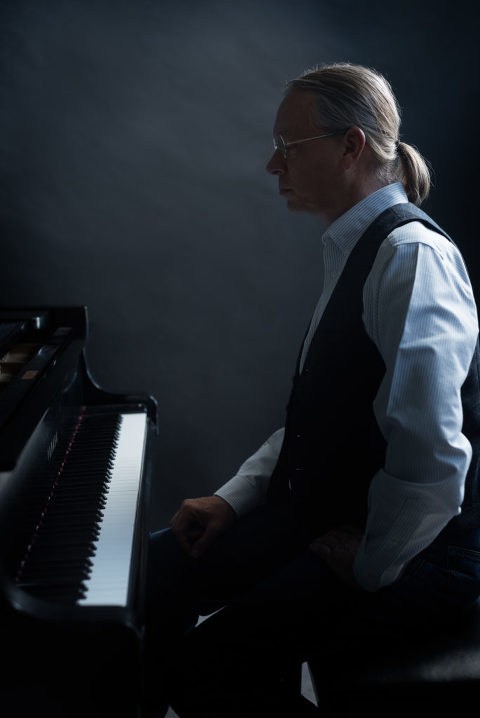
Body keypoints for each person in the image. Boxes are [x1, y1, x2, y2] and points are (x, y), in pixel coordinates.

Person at [145, 63, 480, 717]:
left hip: (422, 552)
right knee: (156, 571)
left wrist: (373, 565)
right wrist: (233, 499)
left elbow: (432, 459)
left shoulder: (412, 258)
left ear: (351, 145)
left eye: (288, 148)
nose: (275, 167)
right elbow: (323, 417)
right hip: (340, 518)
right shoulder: (357, 250)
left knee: (210, 667)